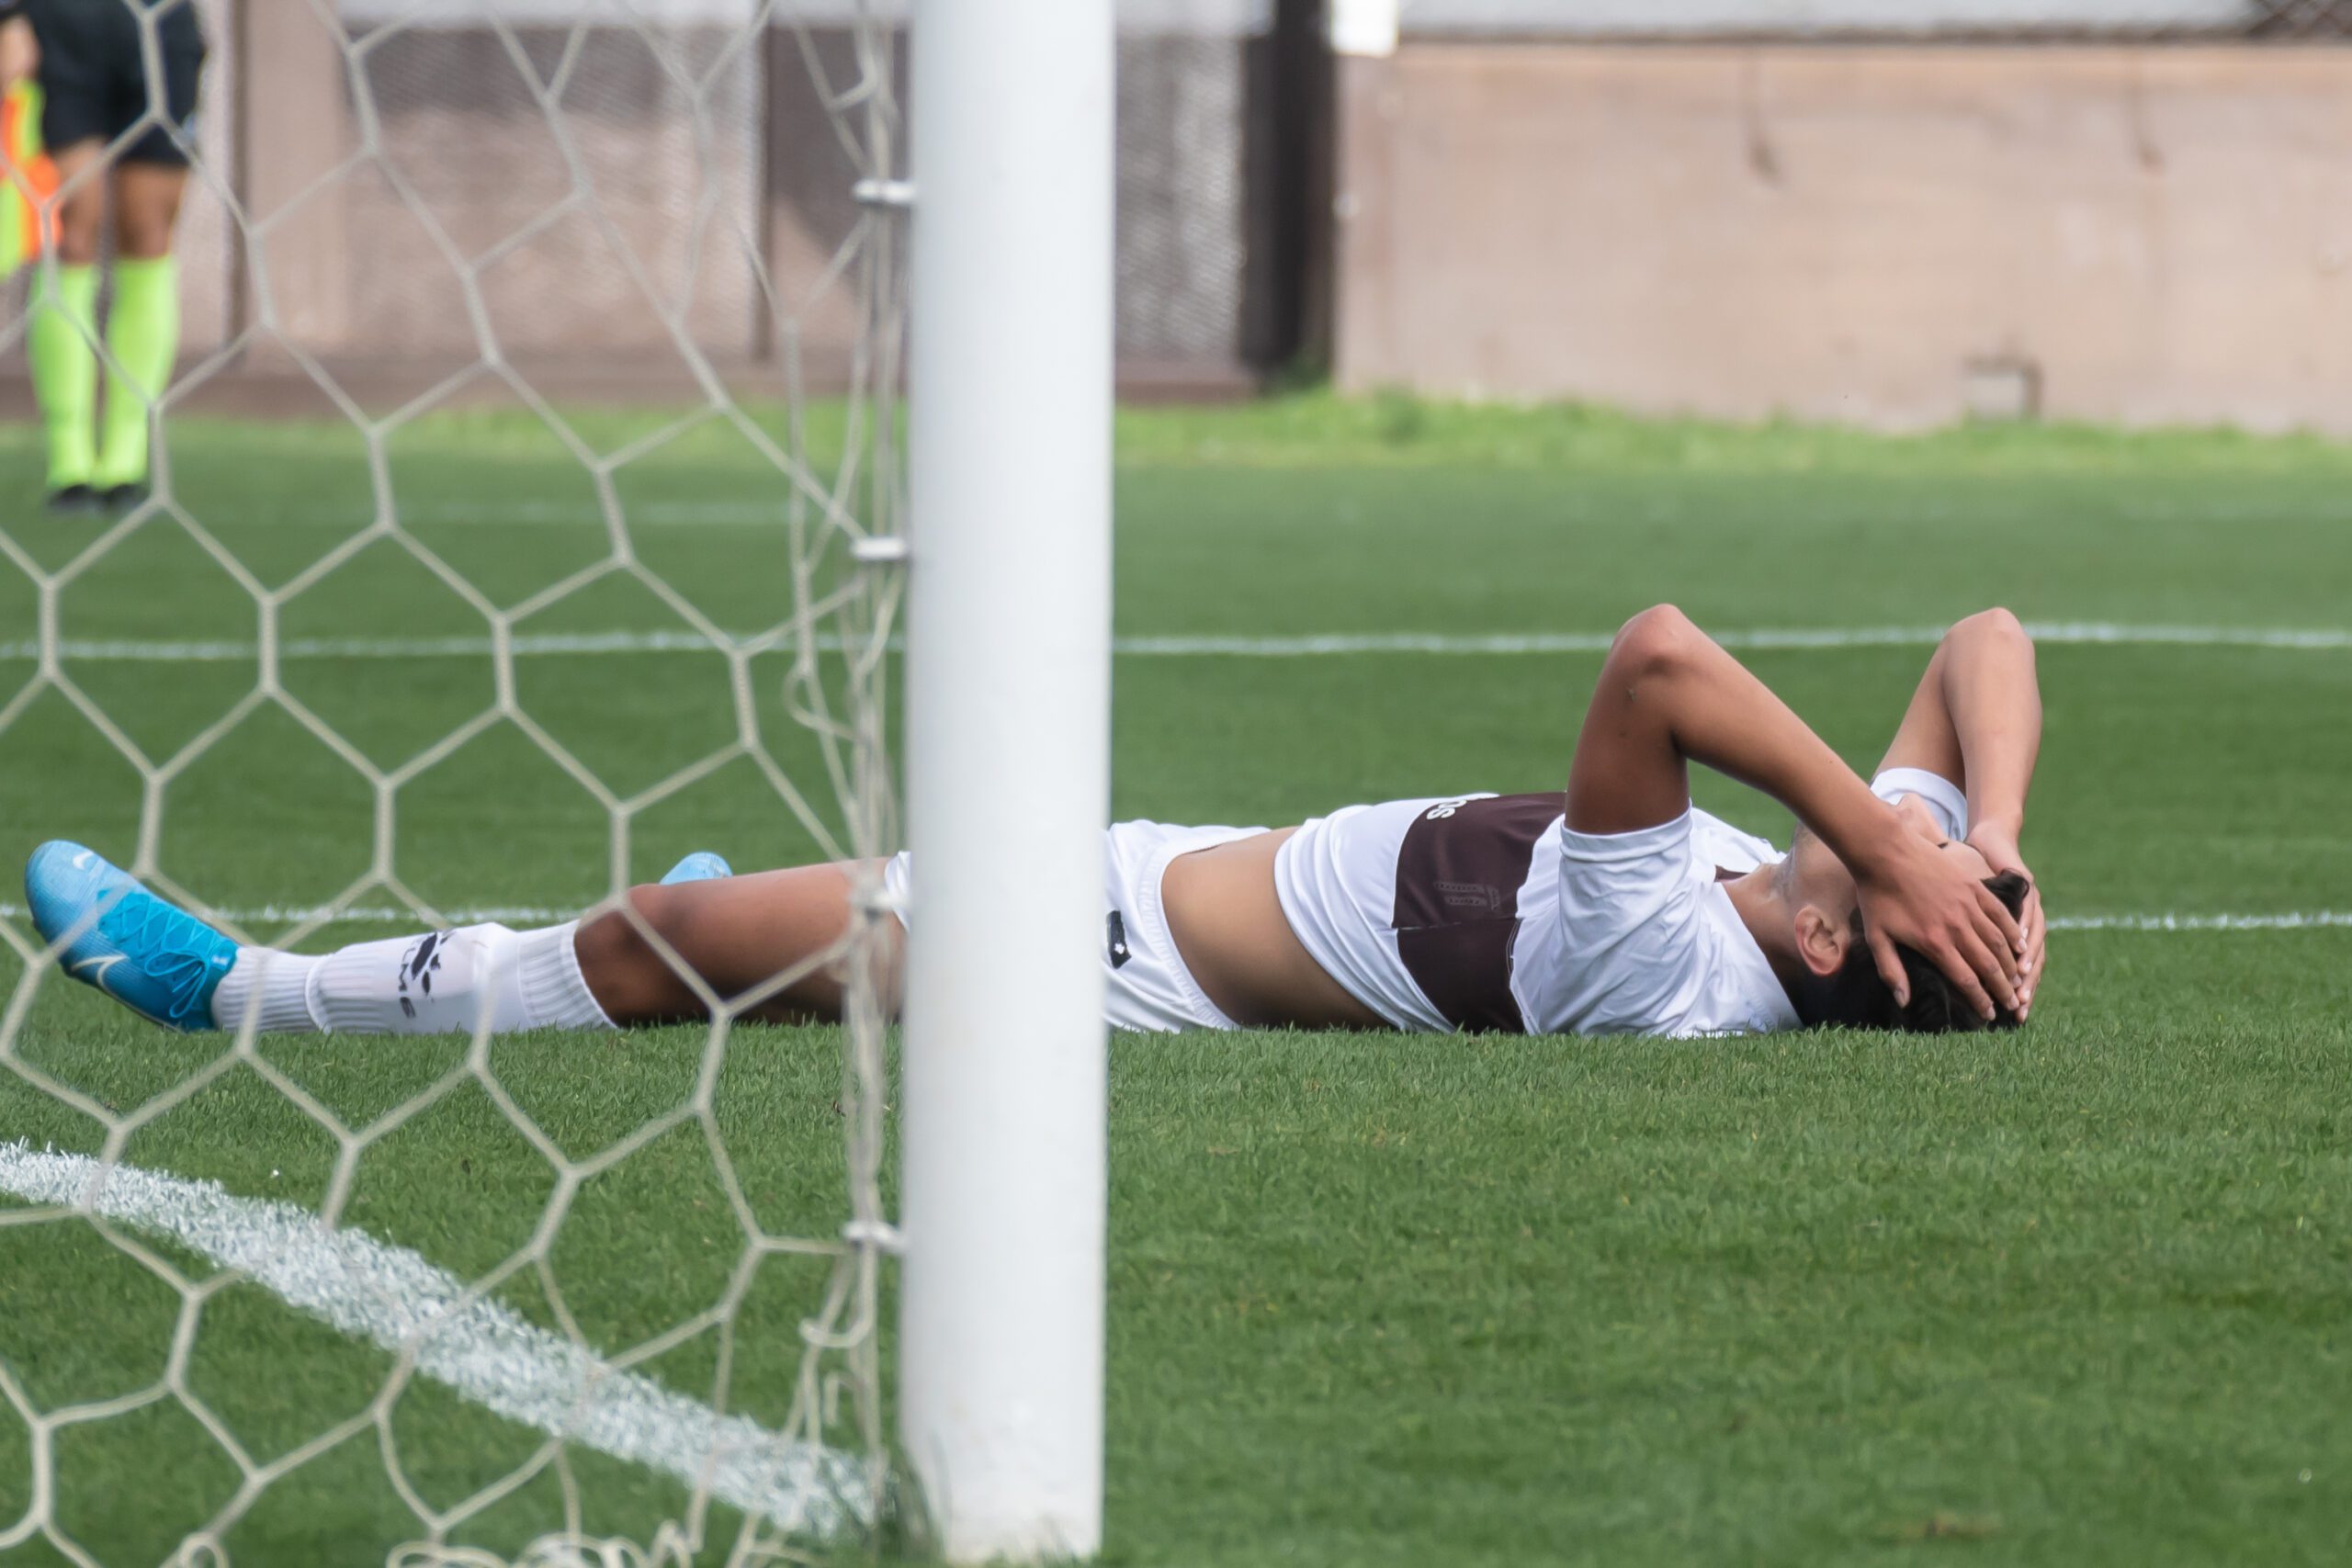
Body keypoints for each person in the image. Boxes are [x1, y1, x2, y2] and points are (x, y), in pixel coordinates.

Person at [24, 606, 2045, 1042]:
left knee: (653, 941)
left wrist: (1874, 844)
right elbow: (1983, 640)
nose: (1881, 830)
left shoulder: (1673, 957)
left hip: (1102, 957)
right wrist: (1978, 836)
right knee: (717, 934)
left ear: (1829, 946)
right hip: (1143, 849)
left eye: (1878, 870)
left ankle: (234, 991)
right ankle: (761, 947)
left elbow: (1656, 665)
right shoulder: (1838, 895)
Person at [0, 0, 205, 513]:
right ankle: (69, 466)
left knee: (149, 230)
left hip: (161, 26)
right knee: (73, 227)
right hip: (63, 24)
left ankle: (125, 464)